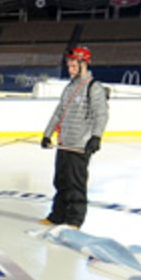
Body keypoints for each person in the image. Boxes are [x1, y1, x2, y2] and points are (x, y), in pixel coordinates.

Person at [39, 46, 108, 229]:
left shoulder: (94, 88)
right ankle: (57, 215)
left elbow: (101, 114)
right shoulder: (69, 87)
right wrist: (47, 134)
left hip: (80, 145)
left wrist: (96, 136)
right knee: (60, 181)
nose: (70, 70)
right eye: (69, 66)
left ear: (83, 64)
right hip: (64, 143)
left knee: (75, 184)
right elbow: (59, 112)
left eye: (73, 66)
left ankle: (74, 220)